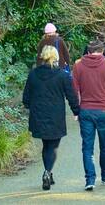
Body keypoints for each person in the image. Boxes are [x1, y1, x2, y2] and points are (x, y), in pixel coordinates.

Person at [22, 45, 81, 191]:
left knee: (46, 145)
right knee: (53, 146)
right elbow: (71, 96)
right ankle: (47, 172)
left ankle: (49, 172)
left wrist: (32, 107)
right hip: (55, 116)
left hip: (39, 115)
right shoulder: (62, 75)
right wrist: (76, 111)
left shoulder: (33, 74)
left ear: (42, 56)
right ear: (56, 57)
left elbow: (26, 98)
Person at [71, 40, 105, 191]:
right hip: (104, 110)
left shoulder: (78, 65)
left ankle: (90, 179)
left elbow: (74, 90)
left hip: (85, 111)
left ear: (88, 51)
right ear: (102, 50)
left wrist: (76, 110)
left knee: (87, 147)